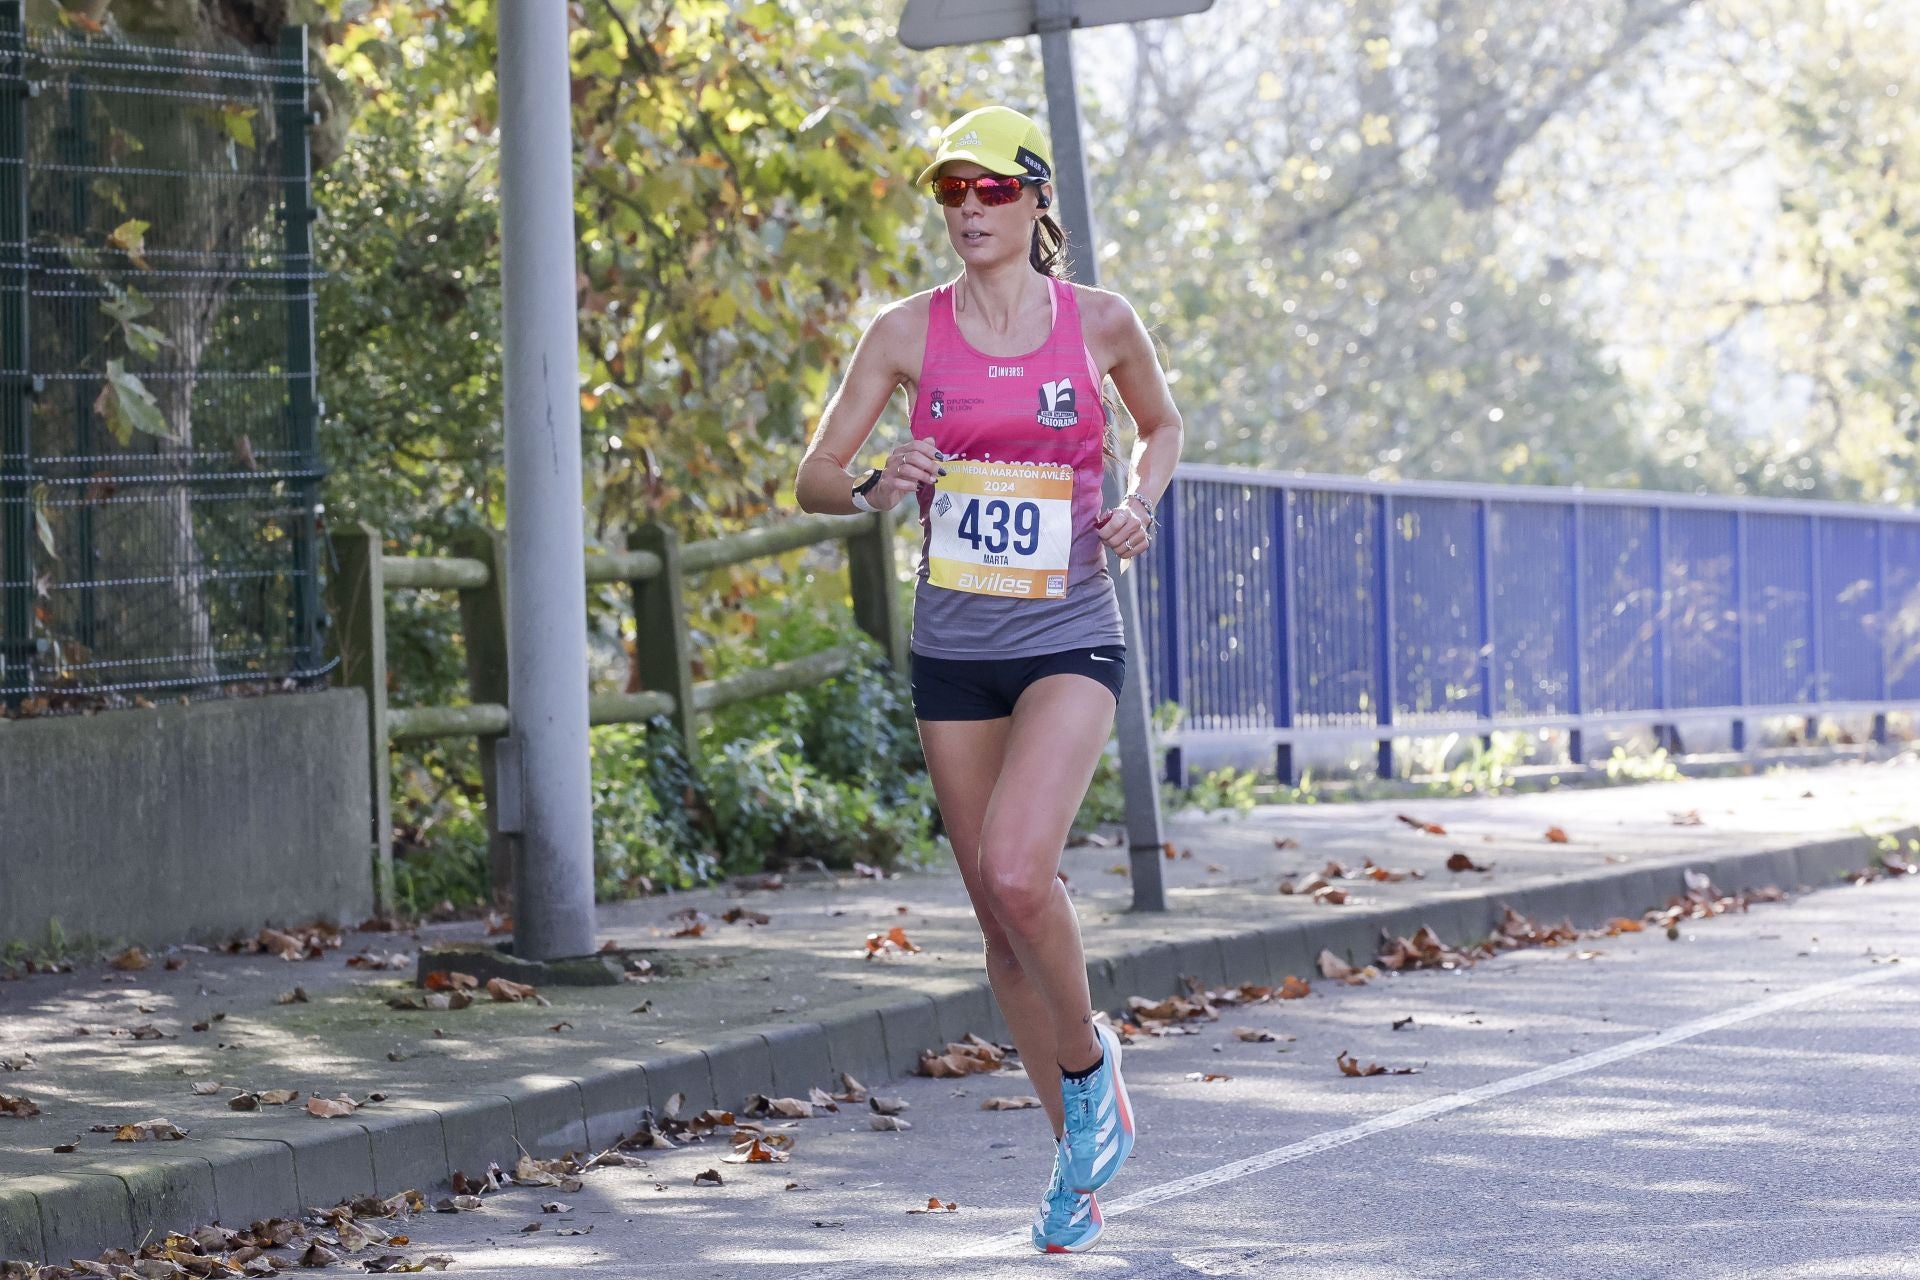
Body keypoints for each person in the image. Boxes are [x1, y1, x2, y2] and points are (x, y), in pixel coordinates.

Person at [794, 104, 1184, 1254]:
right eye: (949, 193)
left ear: (1035, 200)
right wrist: (879, 480)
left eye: (990, 191)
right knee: (998, 925)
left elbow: (1160, 428)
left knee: (1021, 870)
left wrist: (1138, 503)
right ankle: (1076, 1155)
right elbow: (816, 474)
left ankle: (1088, 1059)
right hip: (954, 650)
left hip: (1067, 629)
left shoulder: (1102, 322)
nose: (968, 209)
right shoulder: (905, 332)